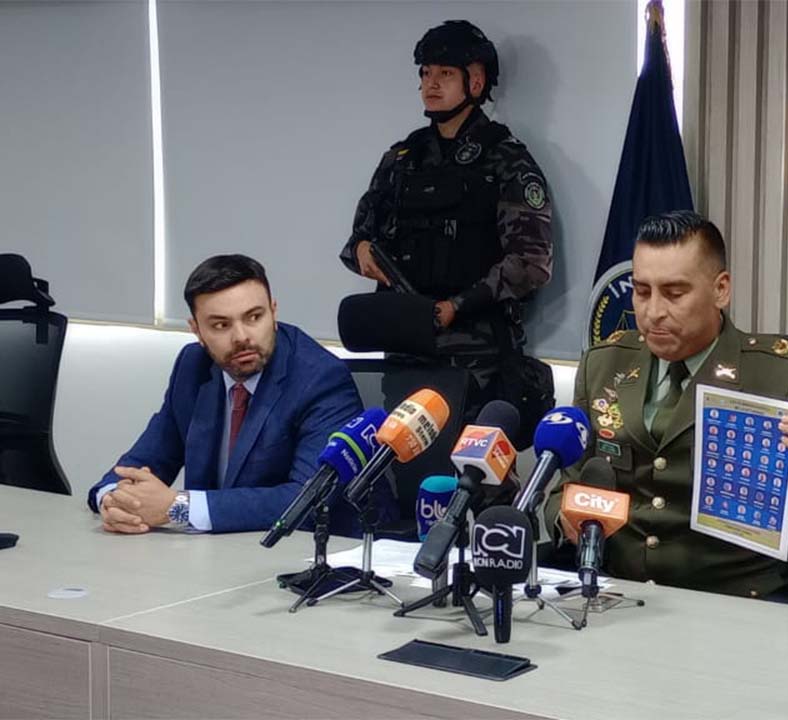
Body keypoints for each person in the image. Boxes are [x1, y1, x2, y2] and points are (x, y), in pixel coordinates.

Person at [544, 210, 788, 599]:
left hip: (731, 602)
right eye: (642, 291)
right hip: (613, 592)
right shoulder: (604, 363)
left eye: (674, 294)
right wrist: (564, 517)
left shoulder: (783, 377)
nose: (653, 311)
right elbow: (567, 482)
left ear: (721, 290)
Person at [340, 19, 553, 443]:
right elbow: (358, 237)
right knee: (401, 459)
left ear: (476, 81)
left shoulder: (506, 160)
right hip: (406, 346)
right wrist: (362, 250)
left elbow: (531, 263)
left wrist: (456, 306)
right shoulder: (402, 159)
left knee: (471, 467)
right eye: (425, 73)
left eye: (444, 73)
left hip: (477, 355)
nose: (430, 84)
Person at [86, 255, 371, 535]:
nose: (242, 337)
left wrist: (178, 508)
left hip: (308, 551)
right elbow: (144, 460)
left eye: (254, 317)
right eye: (221, 325)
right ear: (197, 330)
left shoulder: (320, 378)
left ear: (273, 313)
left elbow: (307, 500)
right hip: (214, 552)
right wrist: (113, 500)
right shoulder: (192, 366)